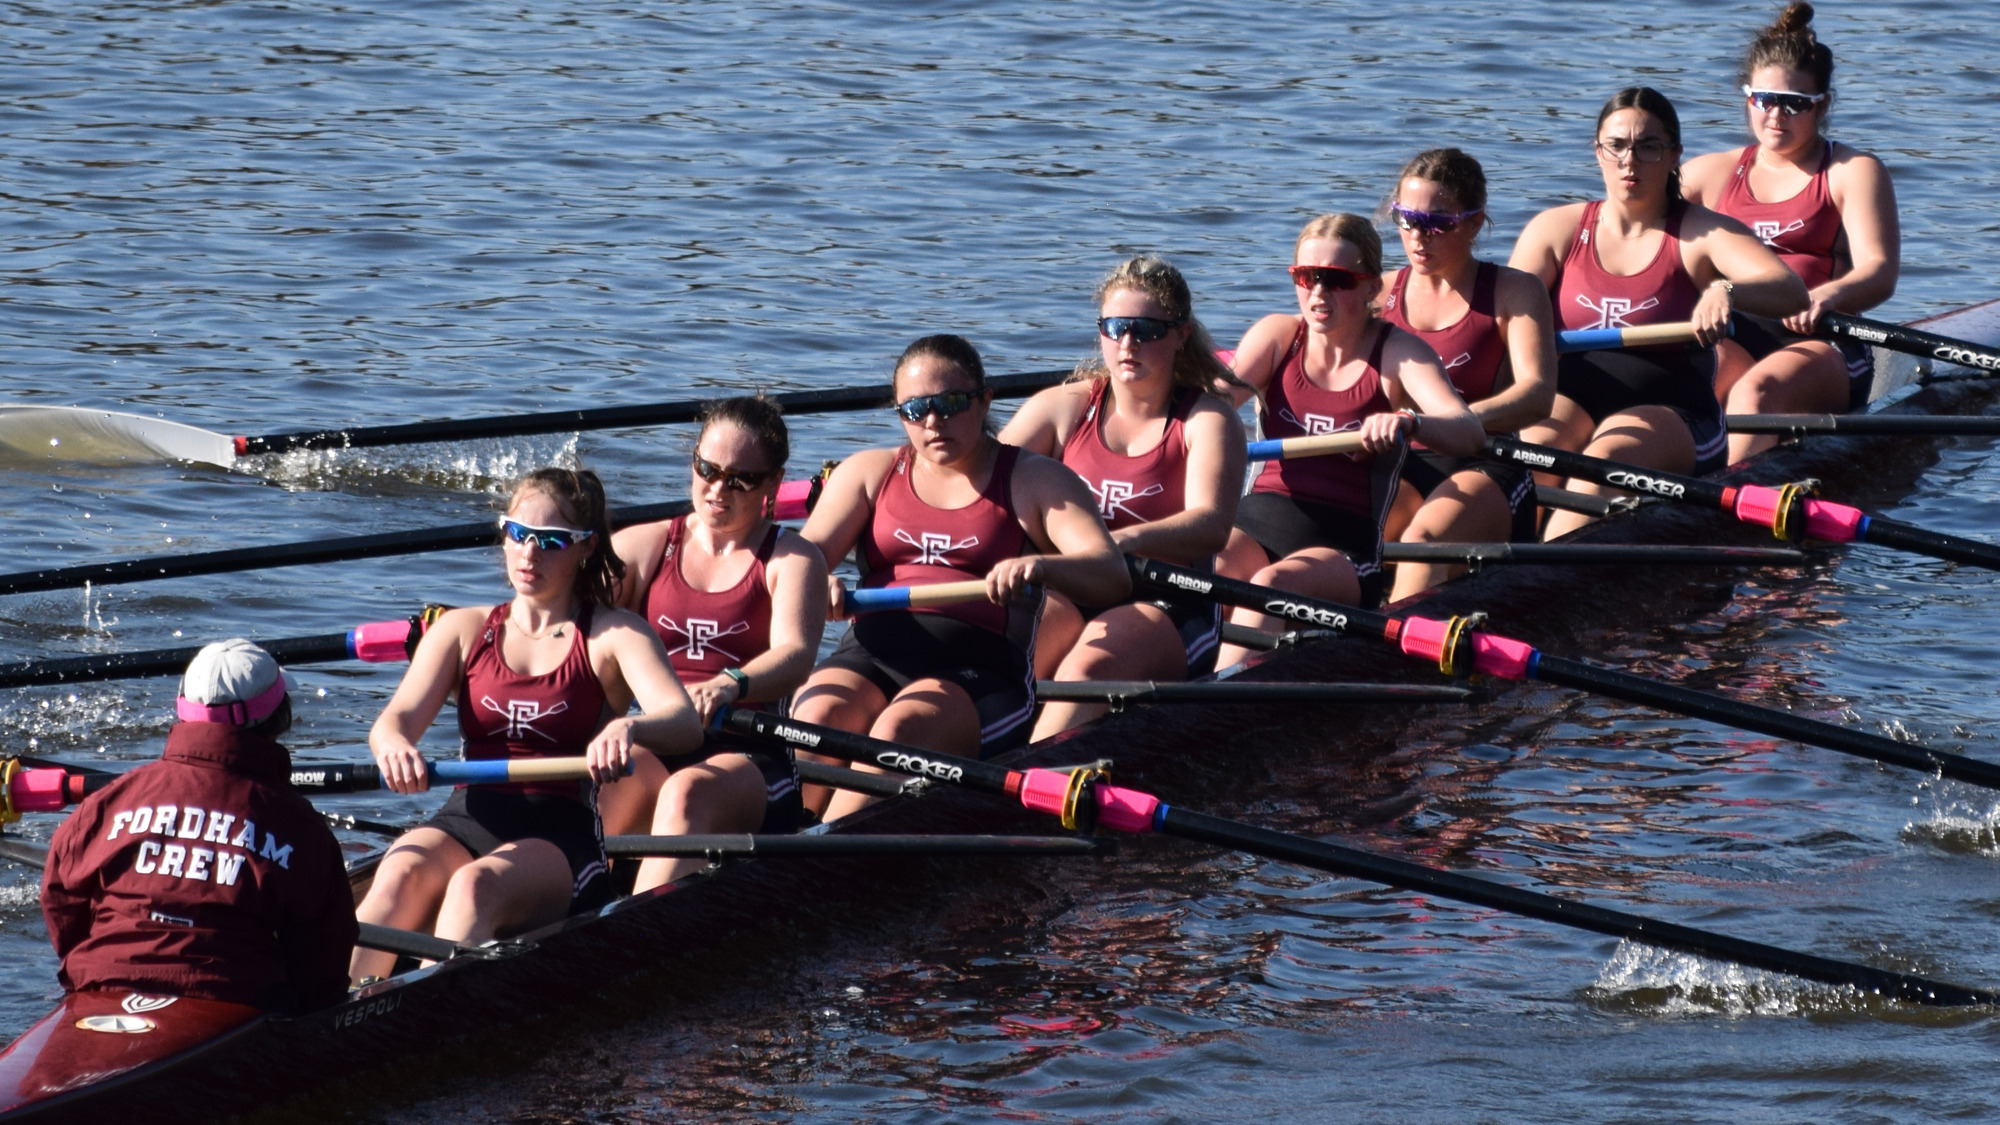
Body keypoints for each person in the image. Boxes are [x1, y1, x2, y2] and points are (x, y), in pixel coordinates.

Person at [349, 468, 703, 985]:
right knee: (397, 875)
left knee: (475, 888)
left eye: (551, 541)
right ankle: (337, 1015)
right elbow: (393, 722)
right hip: (465, 816)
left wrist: (631, 730)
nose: (529, 554)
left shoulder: (614, 635)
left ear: (586, 548)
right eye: (518, 534)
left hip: (560, 836)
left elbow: (683, 724)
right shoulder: (462, 630)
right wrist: (394, 745)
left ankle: (410, 1018)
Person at [794, 334, 1130, 821]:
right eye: (916, 409)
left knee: (899, 730)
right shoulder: (868, 472)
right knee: (815, 718)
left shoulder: (1034, 480)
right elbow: (800, 563)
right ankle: (783, 837)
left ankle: (809, 853)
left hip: (981, 673)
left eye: (950, 403)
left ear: (984, 400)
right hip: (870, 654)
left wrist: (1042, 565)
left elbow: (1110, 573)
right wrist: (812, 584)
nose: (934, 421)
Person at [1509, 86, 1809, 540]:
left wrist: (1726, 289)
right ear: (1598, 153)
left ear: (1674, 156)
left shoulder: (1700, 232)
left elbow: (1790, 292)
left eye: (1649, 147)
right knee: (1524, 460)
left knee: (1599, 469)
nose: (1630, 160)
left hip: (1673, 408)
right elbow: (1503, 319)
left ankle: (1538, 579)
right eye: (1617, 146)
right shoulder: (1556, 229)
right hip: (1568, 399)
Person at [1215, 213, 1483, 666]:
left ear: (1371, 288)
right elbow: (1212, 409)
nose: (1317, 293)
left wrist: (1410, 423)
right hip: (1255, 520)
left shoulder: (1398, 352)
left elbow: (1468, 431)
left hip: (1343, 547)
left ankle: (1208, 708)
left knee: (1269, 588)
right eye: (1306, 277)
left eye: (1335, 280)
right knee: (1205, 571)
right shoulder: (1278, 336)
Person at [998, 255, 1247, 739]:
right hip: (1075, 586)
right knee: (997, 656)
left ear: (1180, 334)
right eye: (1114, 328)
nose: (1127, 343)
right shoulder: (1062, 408)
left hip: (1168, 598)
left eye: (1146, 329)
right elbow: (984, 485)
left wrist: (1124, 541)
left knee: (1084, 671)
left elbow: (1212, 525)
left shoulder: (1207, 420)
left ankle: (1021, 787)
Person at [41, 639, 356, 1013]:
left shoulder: (107, 802)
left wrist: (86, 969)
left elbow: (61, 901)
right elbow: (324, 958)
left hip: (101, 980)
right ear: (280, 718)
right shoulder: (300, 826)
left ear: (182, 710)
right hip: (235, 998)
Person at [599, 396, 827, 891]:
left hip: (751, 754)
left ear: (773, 482)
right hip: (659, 737)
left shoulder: (793, 558)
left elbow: (796, 656)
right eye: (708, 468)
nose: (718, 488)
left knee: (687, 794)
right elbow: (576, 638)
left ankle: (632, 934)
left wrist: (731, 684)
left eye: (740, 479)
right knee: (591, 790)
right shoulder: (643, 546)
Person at [1682, 1, 1900, 463]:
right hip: (1736, 335)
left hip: (1820, 337)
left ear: (1821, 106)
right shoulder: (1707, 175)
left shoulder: (1852, 171)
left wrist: (1831, 295)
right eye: (1764, 99)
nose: (1776, 114)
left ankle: (1724, 510)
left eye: (1794, 103)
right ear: (1747, 99)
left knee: (1754, 394)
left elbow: (1880, 271)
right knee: (1679, 384)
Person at [1377, 149, 1558, 602]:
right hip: (1403, 460)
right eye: (1406, 218)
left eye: (1438, 223)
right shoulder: (1376, 295)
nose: (1419, 236)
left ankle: (1394, 658)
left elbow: (1537, 396)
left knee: (1420, 543)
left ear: (1475, 223)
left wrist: (1446, 424)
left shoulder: (1514, 290)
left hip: (1486, 460)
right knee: (1347, 531)